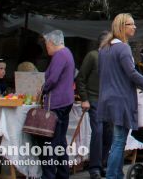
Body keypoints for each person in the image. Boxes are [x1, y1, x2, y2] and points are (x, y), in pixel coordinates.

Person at [98, 14, 143, 179]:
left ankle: (116, 174)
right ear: (122, 26)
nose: (134, 27)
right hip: (121, 99)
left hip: (107, 99)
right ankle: (111, 175)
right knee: (118, 140)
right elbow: (131, 73)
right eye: (132, 24)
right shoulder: (123, 48)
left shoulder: (105, 48)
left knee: (117, 139)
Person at [38, 30, 76, 179]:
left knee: (50, 143)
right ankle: (62, 174)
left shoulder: (59, 55)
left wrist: (43, 89)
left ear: (53, 43)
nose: (46, 48)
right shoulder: (68, 53)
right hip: (66, 101)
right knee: (60, 141)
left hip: (57, 102)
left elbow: (53, 79)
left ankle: (48, 176)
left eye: (47, 45)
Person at [76, 30, 111, 179]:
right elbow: (81, 78)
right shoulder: (92, 56)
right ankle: (95, 167)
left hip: (109, 102)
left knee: (109, 134)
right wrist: (84, 98)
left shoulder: (113, 58)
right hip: (94, 99)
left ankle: (103, 163)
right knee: (98, 132)